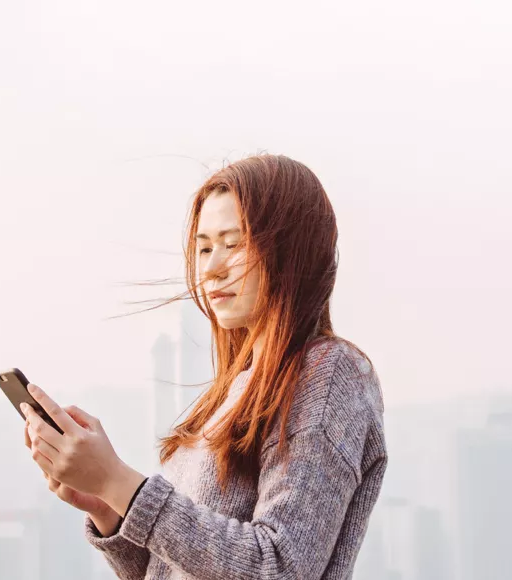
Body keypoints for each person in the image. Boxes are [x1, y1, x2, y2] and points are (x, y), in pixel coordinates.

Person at [20, 154, 387, 579]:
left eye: (233, 245)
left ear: (292, 251)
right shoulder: (234, 390)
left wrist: (118, 481)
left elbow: (281, 567)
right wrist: (109, 508)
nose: (211, 269)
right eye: (205, 247)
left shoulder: (329, 373)